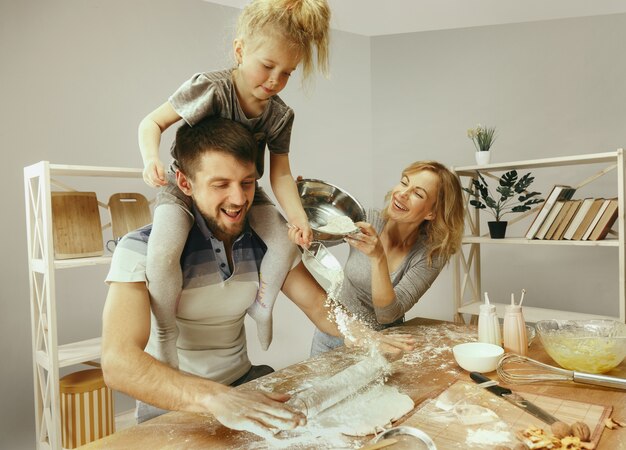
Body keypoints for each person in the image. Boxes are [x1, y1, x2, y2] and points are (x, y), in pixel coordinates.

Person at [102, 117, 413, 436]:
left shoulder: (265, 243)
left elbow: (320, 308)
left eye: (247, 182)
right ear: (184, 183)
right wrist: (213, 396)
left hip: (245, 388)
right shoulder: (140, 249)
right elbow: (118, 363)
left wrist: (364, 335)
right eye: (221, 184)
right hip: (174, 405)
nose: (238, 199)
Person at [137, 0, 331, 368]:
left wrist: (297, 218)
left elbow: (281, 174)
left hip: (246, 189)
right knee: (162, 254)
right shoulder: (209, 88)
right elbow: (152, 123)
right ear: (240, 50)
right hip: (187, 187)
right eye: (268, 66)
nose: (275, 80)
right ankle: (164, 331)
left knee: (284, 243)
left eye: (288, 73)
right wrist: (151, 158)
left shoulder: (280, 114)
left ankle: (262, 305)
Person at [309, 161, 466, 356]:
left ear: (431, 212)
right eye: (403, 182)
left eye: (418, 194)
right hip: (332, 336)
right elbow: (311, 239)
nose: (402, 194)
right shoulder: (365, 220)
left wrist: (378, 257)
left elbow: (387, 315)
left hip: (383, 345)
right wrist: (306, 208)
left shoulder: (430, 254)